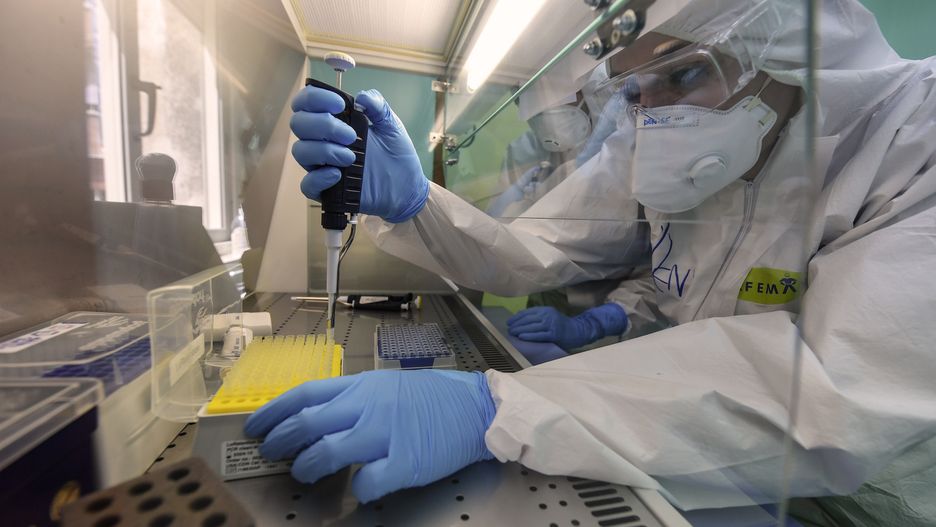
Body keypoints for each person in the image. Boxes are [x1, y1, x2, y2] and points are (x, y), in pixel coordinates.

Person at [248, 0, 936, 522]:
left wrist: (501, 406)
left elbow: (834, 384)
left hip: (876, 502)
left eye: (685, 72)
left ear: (787, 46)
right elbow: (538, 248)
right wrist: (416, 205)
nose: (653, 112)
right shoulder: (652, 141)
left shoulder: (915, 133)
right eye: (635, 90)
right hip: (690, 451)